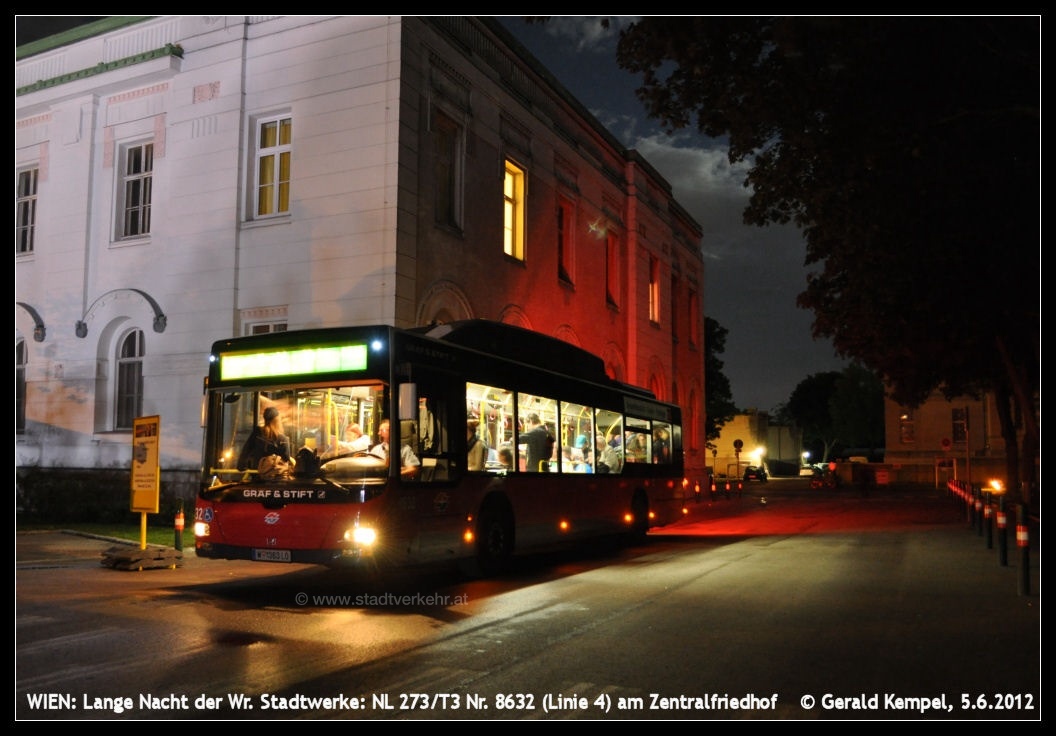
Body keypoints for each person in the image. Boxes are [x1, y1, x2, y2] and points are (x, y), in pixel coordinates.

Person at [237, 406, 292, 472]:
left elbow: (246, 451)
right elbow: (286, 459)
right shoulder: (283, 439)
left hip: (257, 473)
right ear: (277, 420)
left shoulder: (257, 433)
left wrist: (242, 467)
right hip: (275, 475)